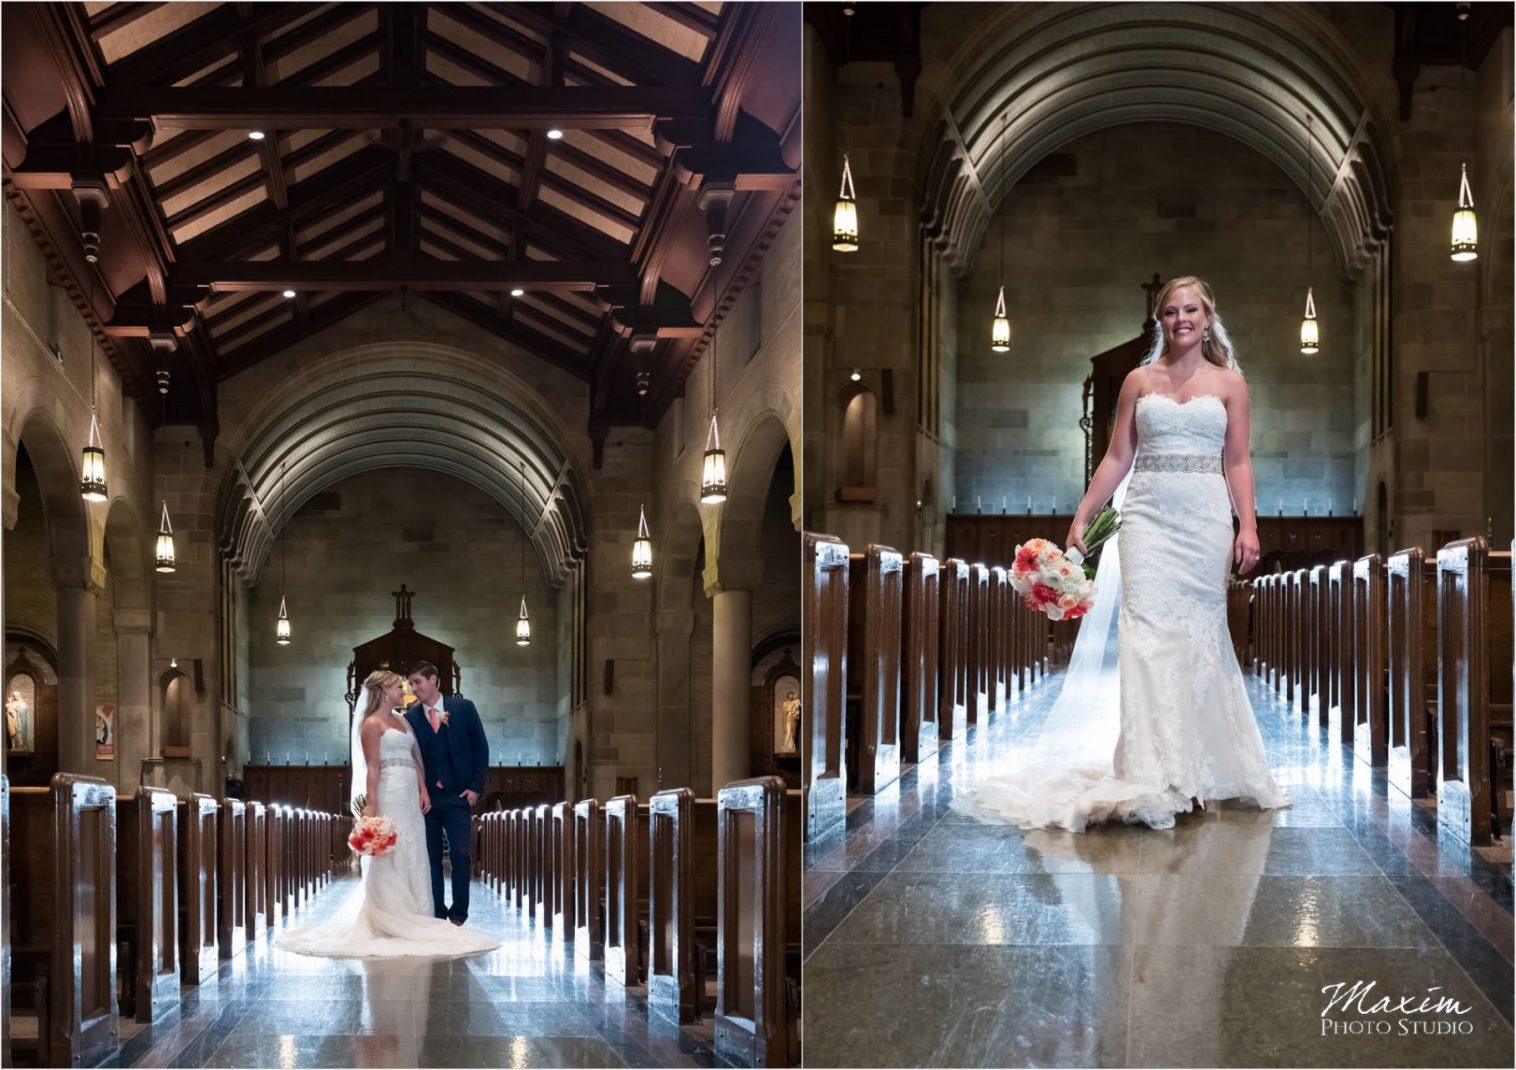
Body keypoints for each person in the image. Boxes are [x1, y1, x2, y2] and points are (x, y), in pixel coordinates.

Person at [969, 276, 1292, 832]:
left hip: (1205, 520)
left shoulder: (1232, 385)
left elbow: (1237, 460)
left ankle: (1193, 769)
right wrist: (1084, 512)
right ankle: (1151, 768)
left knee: (1198, 637)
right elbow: (1119, 456)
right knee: (1144, 637)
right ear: (1160, 320)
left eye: (1191, 310)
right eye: (1170, 311)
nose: (1181, 319)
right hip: (1146, 520)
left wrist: (1249, 524)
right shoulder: (1138, 381)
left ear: (1208, 318)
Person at [275, 670, 498, 957]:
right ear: (382, 692)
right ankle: (392, 914)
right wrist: (371, 804)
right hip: (390, 792)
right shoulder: (373, 723)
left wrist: (423, 789)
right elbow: (373, 768)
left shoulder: (404, 719)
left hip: (415, 796)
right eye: (399, 687)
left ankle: (425, 911)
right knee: (395, 852)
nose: (405, 690)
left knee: (416, 851)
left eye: (411, 684)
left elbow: (417, 759)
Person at [404, 662, 488, 925]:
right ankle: (437, 912)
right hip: (427, 799)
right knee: (431, 858)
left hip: (458, 795)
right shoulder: (411, 719)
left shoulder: (463, 708)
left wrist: (475, 788)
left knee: (461, 854)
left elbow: (481, 748)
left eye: (417, 682)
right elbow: (412, 758)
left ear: (433, 680)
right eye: (411, 683)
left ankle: (459, 913)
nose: (413, 688)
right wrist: (419, 791)